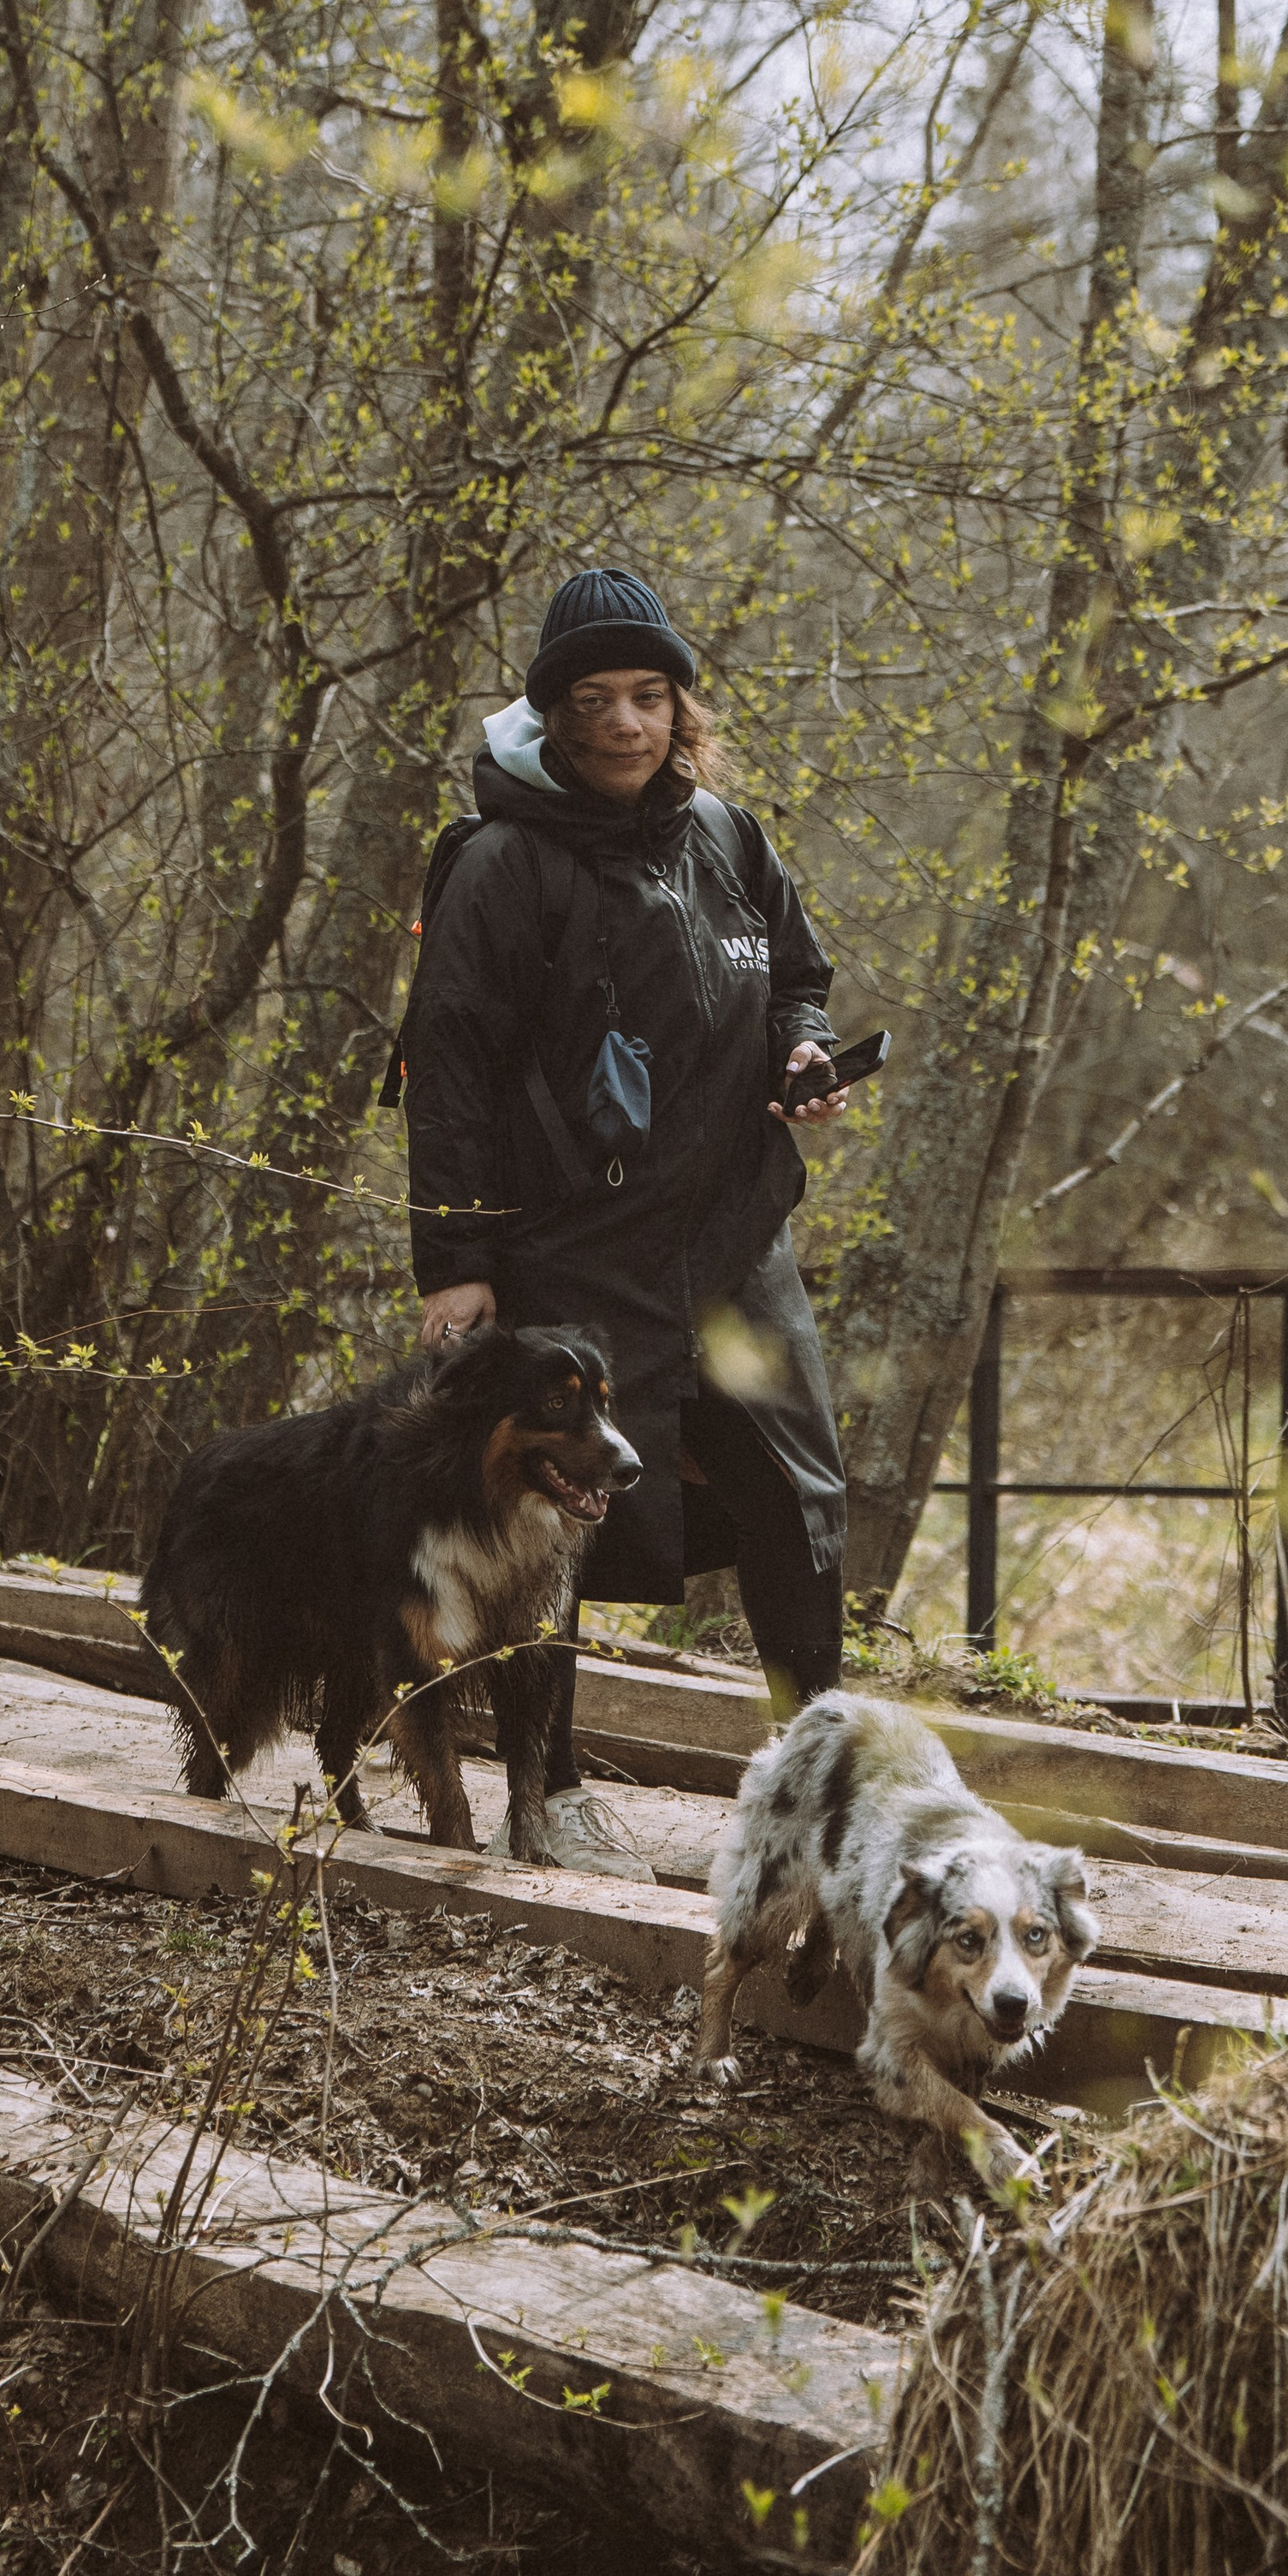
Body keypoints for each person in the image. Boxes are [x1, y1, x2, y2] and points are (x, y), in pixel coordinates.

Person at [399, 567, 851, 1877]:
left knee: (797, 1499)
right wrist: (459, 1265)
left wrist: (806, 1048)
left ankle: (814, 1794)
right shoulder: (501, 862)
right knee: (557, 1524)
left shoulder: (726, 836)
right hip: (573, 1256)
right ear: (551, 714)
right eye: (592, 699)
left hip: (731, 1243)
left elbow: (798, 974)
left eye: (648, 696)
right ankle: (550, 1788)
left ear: (680, 708)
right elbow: (452, 1066)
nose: (623, 724)